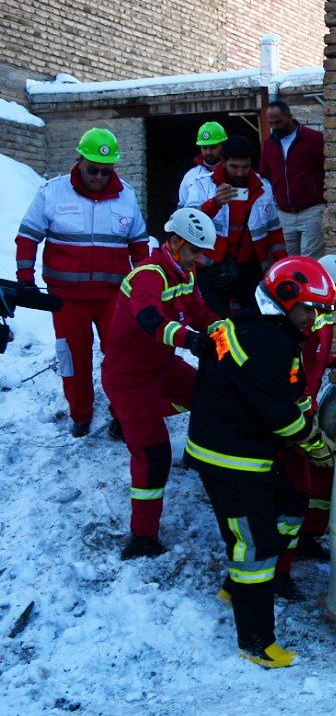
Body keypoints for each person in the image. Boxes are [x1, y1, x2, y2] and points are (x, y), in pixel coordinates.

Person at [186, 256, 336, 668]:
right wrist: (317, 446)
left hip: (246, 450)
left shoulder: (260, 329)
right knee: (255, 546)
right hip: (230, 459)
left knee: (291, 507)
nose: (314, 319)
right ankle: (256, 641)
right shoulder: (267, 342)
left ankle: (236, 589)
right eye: (310, 309)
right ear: (285, 301)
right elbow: (280, 414)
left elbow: (283, 397)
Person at [14, 128, 149, 437]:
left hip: (113, 298)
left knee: (122, 358)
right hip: (66, 299)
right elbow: (27, 237)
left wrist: (145, 287)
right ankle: (81, 414)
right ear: (79, 160)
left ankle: (122, 414)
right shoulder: (52, 191)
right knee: (73, 360)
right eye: (93, 169)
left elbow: (140, 246)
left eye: (106, 170)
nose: (99, 176)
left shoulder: (126, 196)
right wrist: (25, 280)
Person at [102, 208, 219, 559]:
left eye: (202, 253)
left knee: (208, 394)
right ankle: (142, 538)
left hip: (162, 366)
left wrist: (224, 333)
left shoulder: (185, 272)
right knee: (154, 455)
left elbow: (200, 312)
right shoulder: (149, 274)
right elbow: (149, 319)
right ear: (175, 241)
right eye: (195, 251)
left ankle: (128, 421)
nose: (200, 259)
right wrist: (188, 340)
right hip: (130, 379)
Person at [281, 254, 336, 575]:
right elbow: (292, 372)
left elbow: (311, 362)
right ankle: (283, 566)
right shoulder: (306, 322)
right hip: (292, 421)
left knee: (323, 477)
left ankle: (309, 535)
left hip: (305, 413)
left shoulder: (322, 319)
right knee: (295, 495)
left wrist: (331, 361)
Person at [187, 135, 286, 317]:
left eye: (245, 167)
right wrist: (215, 202)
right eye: (234, 167)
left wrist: (281, 265)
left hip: (250, 269)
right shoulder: (201, 185)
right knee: (215, 323)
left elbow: (274, 231)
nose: (240, 173)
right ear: (223, 162)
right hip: (211, 267)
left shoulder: (263, 187)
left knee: (256, 323)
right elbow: (188, 223)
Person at [259, 100, 325, 258]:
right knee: (287, 260)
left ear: (289, 116)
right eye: (272, 123)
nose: (275, 127)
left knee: (310, 259)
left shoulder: (313, 138)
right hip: (284, 213)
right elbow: (265, 175)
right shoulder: (269, 144)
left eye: (279, 122)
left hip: (312, 210)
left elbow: (326, 168)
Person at [177, 121, 227, 208]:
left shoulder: (234, 173)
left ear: (223, 145)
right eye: (204, 147)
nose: (208, 152)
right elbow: (181, 208)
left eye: (213, 147)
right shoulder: (190, 176)